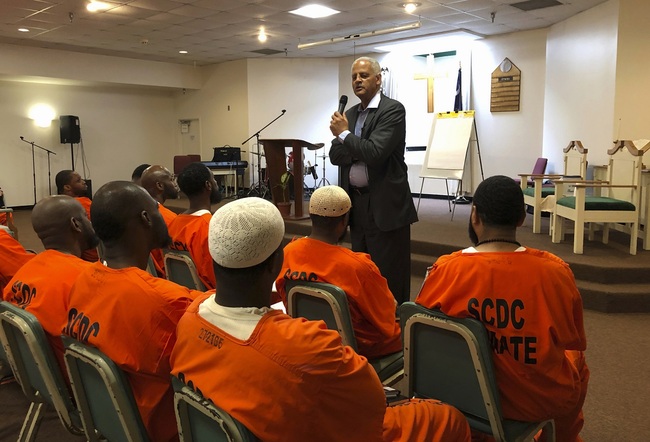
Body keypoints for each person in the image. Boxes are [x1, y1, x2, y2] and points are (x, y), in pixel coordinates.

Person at [170, 197, 471, 442]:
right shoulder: (309, 348)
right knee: (449, 419)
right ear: (276, 262)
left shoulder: (187, 318)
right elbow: (372, 406)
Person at [415, 175, 589, 442]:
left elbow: (422, 326)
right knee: (576, 359)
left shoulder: (445, 270)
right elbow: (571, 337)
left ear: (475, 216)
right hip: (533, 401)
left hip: (461, 396)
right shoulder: (555, 272)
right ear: (521, 218)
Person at [62, 181, 202, 442]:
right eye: (157, 210)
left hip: (111, 418)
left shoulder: (84, 277)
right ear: (146, 218)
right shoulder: (164, 300)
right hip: (165, 428)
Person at [275, 185, 401, 359]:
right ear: (344, 221)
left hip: (308, 336)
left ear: (311, 216)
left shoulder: (289, 252)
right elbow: (386, 319)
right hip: (358, 347)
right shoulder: (358, 266)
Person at [329, 56, 417, 305]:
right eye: (354, 76)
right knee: (362, 269)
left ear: (378, 79)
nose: (357, 80)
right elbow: (335, 154)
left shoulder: (392, 110)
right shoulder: (351, 114)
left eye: (364, 75)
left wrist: (346, 136)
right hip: (357, 203)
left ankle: (395, 324)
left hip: (386, 204)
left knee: (389, 273)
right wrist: (356, 145)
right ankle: (369, 321)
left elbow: (376, 153)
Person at [3, 195, 98, 376]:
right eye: (86, 216)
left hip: (43, 376)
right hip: (83, 385)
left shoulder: (23, 273)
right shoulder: (90, 279)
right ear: (75, 224)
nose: (90, 222)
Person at [167, 162, 222, 289]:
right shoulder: (210, 227)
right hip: (206, 299)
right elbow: (216, 279)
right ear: (208, 185)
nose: (216, 183)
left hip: (180, 293)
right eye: (213, 179)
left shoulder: (174, 223)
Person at [140, 165, 180, 277]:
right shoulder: (169, 219)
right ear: (160, 186)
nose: (175, 184)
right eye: (171, 179)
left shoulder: (137, 211)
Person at [55, 169, 97, 262]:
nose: (83, 182)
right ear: (67, 187)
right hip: (94, 257)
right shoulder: (83, 203)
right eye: (78, 180)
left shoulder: (58, 205)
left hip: (72, 257)